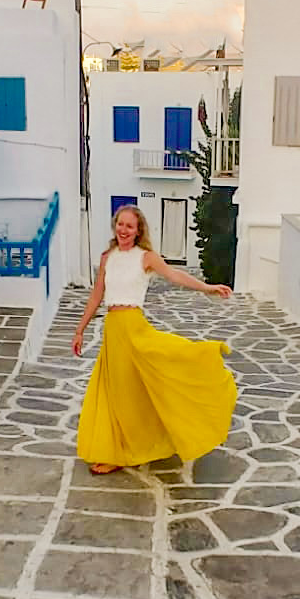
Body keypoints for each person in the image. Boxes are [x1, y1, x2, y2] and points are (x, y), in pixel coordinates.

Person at [72, 204, 237, 475]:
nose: (124, 230)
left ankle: (129, 450)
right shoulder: (107, 257)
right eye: (120, 224)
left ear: (138, 231)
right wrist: (80, 330)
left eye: (130, 226)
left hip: (134, 328)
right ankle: (118, 450)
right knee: (115, 394)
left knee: (139, 387)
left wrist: (208, 287)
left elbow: (175, 275)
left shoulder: (145, 257)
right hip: (112, 330)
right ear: (115, 226)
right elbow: (96, 295)